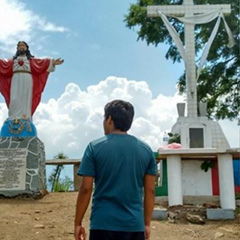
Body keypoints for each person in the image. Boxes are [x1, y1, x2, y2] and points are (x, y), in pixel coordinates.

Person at [74, 100, 156, 240]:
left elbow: (86, 189)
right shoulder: (146, 150)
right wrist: (146, 224)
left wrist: (78, 223)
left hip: (102, 224)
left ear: (109, 119)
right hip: (134, 225)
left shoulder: (94, 147)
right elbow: (150, 191)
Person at [0, 41, 64, 136]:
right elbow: (3, 64)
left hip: (27, 80)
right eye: (19, 46)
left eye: (23, 46)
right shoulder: (12, 61)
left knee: (26, 98)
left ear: (27, 48)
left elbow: (41, 63)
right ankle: (13, 117)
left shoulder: (30, 61)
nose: (21, 47)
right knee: (14, 98)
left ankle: (25, 116)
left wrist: (52, 62)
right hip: (15, 80)